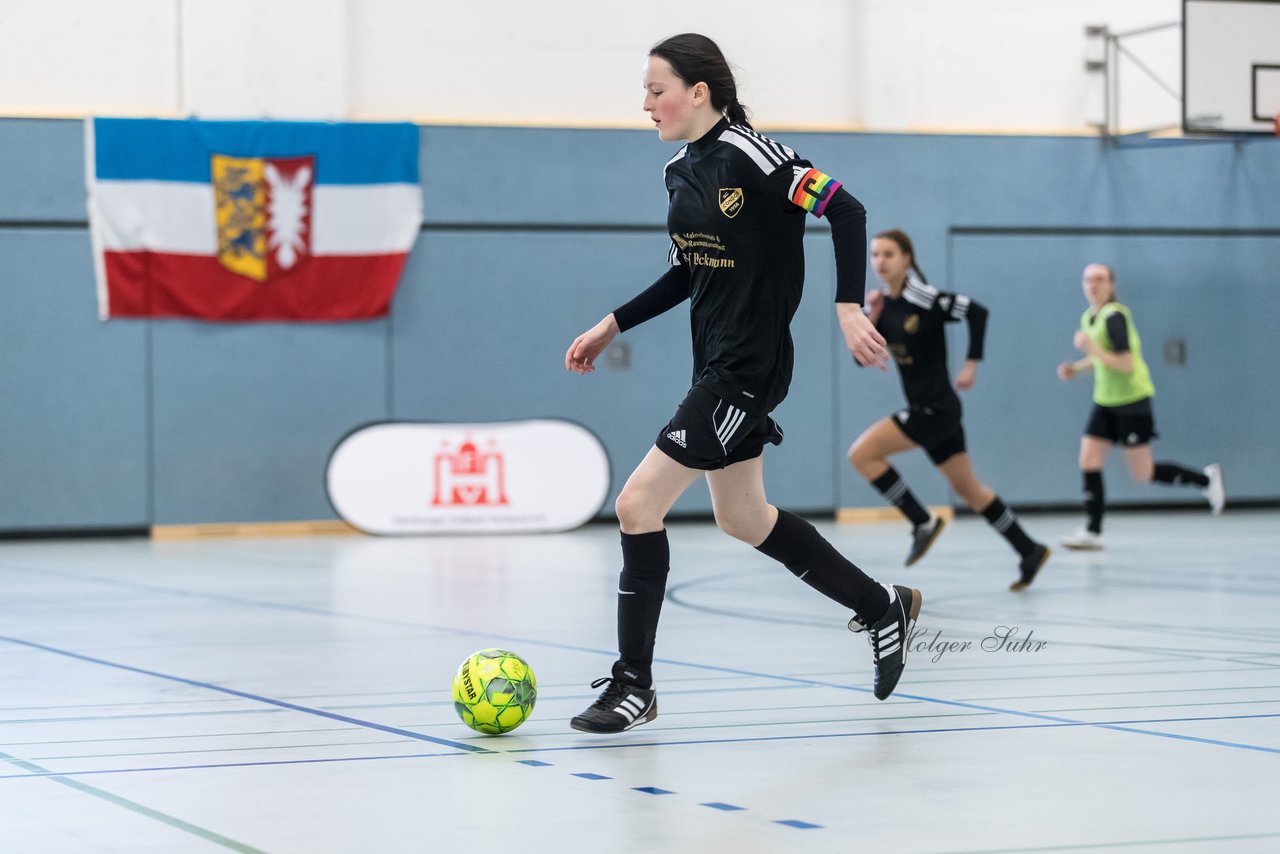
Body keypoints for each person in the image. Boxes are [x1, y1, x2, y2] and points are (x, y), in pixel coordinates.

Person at [563, 33, 921, 734]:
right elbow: (685, 270)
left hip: (746, 370)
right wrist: (614, 323)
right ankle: (884, 606)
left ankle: (634, 684)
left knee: (637, 504)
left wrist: (848, 306)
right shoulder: (678, 171)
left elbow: (845, 208)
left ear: (699, 91)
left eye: (655, 89)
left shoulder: (760, 156)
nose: (645, 104)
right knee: (743, 517)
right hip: (714, 363)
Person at [848, 230, 1051, 591]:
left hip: (935, 409)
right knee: (969, 490)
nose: (880, 262)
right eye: (875, 255)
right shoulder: (883, 304)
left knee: (862, 455)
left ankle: (920, 521)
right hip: (932, 411)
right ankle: (1029, 549)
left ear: (907, 258)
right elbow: (859, 359)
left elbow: (977, 312)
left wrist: (972, 363)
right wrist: (872, 315)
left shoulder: (925, 298)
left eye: (889, 254)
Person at [1056, 263, 1224, 549]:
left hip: (1132, 402)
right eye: (1088, 279)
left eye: (1100, 279)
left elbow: (1125, 362)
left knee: (1143, 474)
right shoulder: (1089, 317)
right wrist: (1078, 368)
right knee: (1088, 461)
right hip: (1105, 401)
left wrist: (1091, 349)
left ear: (1111, 285)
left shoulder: (1114, 317)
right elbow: (1102, 358)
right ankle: (1092, 531)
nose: (1093, 285)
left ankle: (1205, 480)